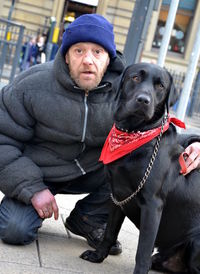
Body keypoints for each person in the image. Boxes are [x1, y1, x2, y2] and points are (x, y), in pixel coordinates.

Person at [0, 14, 199, 258]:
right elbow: (3, 142)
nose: (87, 60)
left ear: (108, 59)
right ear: (66, 54)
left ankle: (87, 218)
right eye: (79, 50)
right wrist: (31, 187)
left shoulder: (125, 88)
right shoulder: (31, 85)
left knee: (132, 171)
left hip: (96, 174)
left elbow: (155, 137)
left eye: (97, 52)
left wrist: (194, 142)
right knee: (14, 229)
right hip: (42, 173)